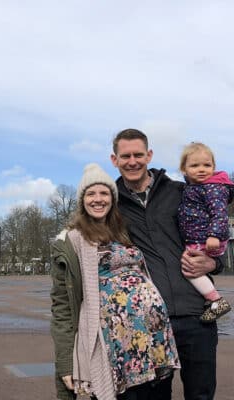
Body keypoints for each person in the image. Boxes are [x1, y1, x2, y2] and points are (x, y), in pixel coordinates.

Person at [110, 128, 227, 400]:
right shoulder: (111, 202)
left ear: (149, 155)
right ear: (114, 159)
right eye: (125, 156)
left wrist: (214, 264)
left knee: (201, 393)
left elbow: (210, 236)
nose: (133, 161)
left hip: (195, 313)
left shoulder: (181, 191)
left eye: (138, 154)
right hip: (148, 318)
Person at [50, 163, 180, 400]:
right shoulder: (71, 241)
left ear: (112, 198)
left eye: (104, 193)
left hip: (152, 341)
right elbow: (61, 307)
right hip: (114, 348)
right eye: (91, 194)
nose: (97, 199)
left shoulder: (125, 231)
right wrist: (65, 363)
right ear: (82, 200)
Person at [178, 142, 232, 323]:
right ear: (183, 169)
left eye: (207, 165)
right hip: (200, 237)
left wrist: (214, 235)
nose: (201, 169)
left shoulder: (213, 188)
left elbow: (220, 213)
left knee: (189, 269)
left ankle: (216, 300)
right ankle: (212, 300)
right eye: (195, 165)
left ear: (214, 167)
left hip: (207, 239)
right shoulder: (192, 188)